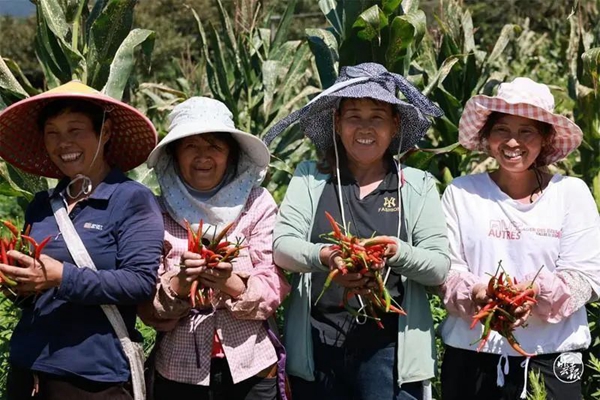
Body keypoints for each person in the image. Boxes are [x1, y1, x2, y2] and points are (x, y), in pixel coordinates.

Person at [263, 62, 450, 400]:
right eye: (353, 116)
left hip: (390, 350)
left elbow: (438, 265)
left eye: (377, 116)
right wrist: (326, 256)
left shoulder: (417, 185)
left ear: (395, 125)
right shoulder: (310, 178)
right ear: (337, 123)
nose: (365, 128)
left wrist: (395, 252)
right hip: (318, 346)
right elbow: (283, 247)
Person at [0, 81, 164, 399]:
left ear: (105, 132)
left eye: (75, 130)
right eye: (53, 133)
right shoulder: (43, 204)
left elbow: (140, 282)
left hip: (93, 378)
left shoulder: (131, 199)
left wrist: (60, 276)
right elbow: (37, 293)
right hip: (28, 369)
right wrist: (18, 285)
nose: (64, 143)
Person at [440, 77, 600, 400]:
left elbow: (587, 278)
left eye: (526, 131)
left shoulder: (570, 195)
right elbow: (445, 272)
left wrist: (536, 292)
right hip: (473, 358)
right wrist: (477, 292)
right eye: (502, 130)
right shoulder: (462, 193)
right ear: (487, 136)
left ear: (545, 138)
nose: (513, 142)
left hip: (552, 358)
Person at [137, 97, 291, 400]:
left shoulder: (256, 204)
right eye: (191, 146)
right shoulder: (155, 211)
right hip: (179, 370)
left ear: (231, 154)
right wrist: (180, 284)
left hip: (251, 365)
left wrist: (230, 283)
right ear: (174, 155)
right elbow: (146, 304)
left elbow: (274, 285)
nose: (203, 156)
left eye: (215, 147)